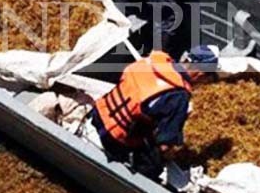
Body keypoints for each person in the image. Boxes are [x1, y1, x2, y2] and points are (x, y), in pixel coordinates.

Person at [91, 45, 219, 179]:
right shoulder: (179, 96)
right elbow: (164, 146)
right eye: (208, 77)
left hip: (99, 113)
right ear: (200, 74)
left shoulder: (154, 61)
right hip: (114, 139)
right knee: (154, 165)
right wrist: (171, 156)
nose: (204, 82)